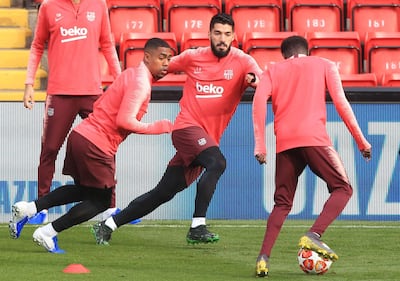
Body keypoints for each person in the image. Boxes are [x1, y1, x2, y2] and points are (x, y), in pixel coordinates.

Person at [91, 13, 263, 245]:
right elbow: (157, 68)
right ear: (209, 34)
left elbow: (261, 80)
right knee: (218, 163)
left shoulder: (243, 61)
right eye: (217, 33)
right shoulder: (193, 57)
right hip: (186, 128)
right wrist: (130, 89)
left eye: (227, 34)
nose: (222, 38)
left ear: (234, 37)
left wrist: (254, 80)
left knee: (163, 192)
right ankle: (197, 225)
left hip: (207, 139)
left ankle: (108, 225)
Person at [9, 38, 174, 253]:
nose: (166, 63)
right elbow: (124, 121)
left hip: (81, 135)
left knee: (84, 191)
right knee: (101, 202)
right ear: (147, 57)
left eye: (169, 59)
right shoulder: (141, 83)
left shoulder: (130, 74)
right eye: (162, 58)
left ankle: (29, 208)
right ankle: (47, 232)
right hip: (97, 145)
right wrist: (160, 126)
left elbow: (99, 104)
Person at [251, 35, 372, 277]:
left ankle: (263, 258)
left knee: (282, 203)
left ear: (284, 54)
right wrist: (361, 141)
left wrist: (260, 146)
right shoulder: (325, 64)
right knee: (343, 188)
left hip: (285, 142)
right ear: (307, 50)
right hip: (314, 138)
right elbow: (341, 103)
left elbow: (257, 102)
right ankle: (314, 234)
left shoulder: (273, 70)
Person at [20, 0, 122, 229]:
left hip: (93, 93)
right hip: (59, 93)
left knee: (106, 148)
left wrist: (121, 80)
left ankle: (111, 206)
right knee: (49, 150)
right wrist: (28, 84)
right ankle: (41, 208)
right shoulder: (48, 6)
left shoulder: (98, 5)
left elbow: (107, 44)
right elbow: (37, 46)